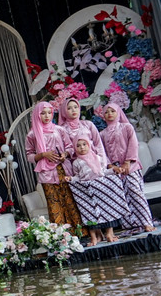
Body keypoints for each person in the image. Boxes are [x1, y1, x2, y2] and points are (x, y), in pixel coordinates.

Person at [25, 101, 85, 236]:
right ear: (37, 115)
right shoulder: (32, 134)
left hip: (63, 169)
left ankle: (80, 232)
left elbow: (70, 147)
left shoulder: (59, 130)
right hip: (46, 173)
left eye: (49, 113)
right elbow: (29, 156)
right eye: (43, 113)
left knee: (70, 200)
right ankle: (62, 236)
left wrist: (65, 154)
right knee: (54, 204)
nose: (47, 116)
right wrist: (43, 155)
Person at [64, 133, 130, 246]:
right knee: (89, 212)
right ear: (75, 148)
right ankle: (94, 238)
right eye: (78, 146)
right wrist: (70, 179)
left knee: (107, 209)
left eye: (84, 144)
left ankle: (109, 234)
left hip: (101, 189)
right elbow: (78, 177)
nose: (82, 147)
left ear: (89, 145)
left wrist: (114, 170)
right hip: (87, 191)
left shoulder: (97, 158)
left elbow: (103, 171)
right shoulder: (76, 162)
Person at [100, 103, 156, 232]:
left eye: (112, 111)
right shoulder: (102, 133)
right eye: (106, 112)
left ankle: (146, 222)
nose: (109, 114)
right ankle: (131, 224)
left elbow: (133, 145)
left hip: (131, 166)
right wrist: (111, 166)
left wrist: (127, 162)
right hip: (115, 170)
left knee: (136, 194)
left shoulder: (126, 127)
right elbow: (102, 152)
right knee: (123, 196)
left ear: (118, 112)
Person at [58, 97, 108, 166]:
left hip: (95, 160)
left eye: (75, 107)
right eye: (69, 108)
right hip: (77, 165)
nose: (73, 110)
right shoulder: (62, 129)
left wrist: (103, 162)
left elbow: (98, 144)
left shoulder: (88, 124)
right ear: (64, 111)